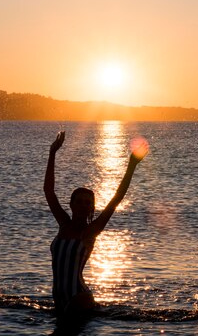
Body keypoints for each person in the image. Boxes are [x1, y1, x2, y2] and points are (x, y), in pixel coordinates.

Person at [44, 131, 148, 319]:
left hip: (79, 298)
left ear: (92, 207)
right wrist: (52, 153)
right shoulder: (63, 224)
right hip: (58, 298)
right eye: (79, 201)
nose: (83, 205)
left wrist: (132, 165)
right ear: (71, 204)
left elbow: (117, 198)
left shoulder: (91, 231)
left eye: (87, 202)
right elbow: (49, 191)